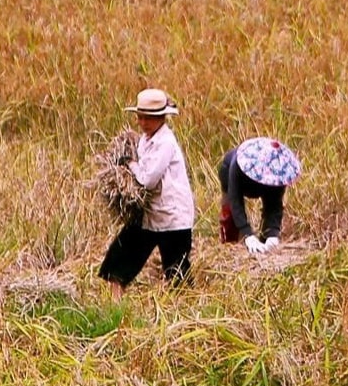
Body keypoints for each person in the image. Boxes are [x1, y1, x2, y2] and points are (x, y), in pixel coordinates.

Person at [100, 89, 195, 295]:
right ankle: (115, 307)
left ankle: (183, 310)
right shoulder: (145, 139)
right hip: (149, 214)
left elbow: (148, 180)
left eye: (148, 118)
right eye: (140, 117)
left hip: (172, 217)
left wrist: (130, 165)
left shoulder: (165, 142)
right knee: (118, 261)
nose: (143, 123)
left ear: (162, 117)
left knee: (177, 275)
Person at [217, 136, 302, 254]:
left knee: (269, 233)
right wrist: (247, 234)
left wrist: (272, 233)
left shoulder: (279, 171)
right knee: (229, 215)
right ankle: (229, 246)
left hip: (263, 182)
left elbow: (275, 205)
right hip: (231, 175)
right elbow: (235, 201)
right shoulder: (236, 165)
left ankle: (264, 243)